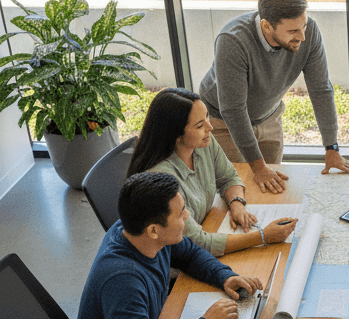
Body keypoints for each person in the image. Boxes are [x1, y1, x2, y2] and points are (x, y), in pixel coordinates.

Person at [66, 172, 264, 319]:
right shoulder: (122, 280)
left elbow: (189, 253)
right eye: (181, 213)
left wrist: (225, 276)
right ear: (153, 230)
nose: (187, 216)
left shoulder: (137, 232)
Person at [199, 0, 349, 195]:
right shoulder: (233, 40)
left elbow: (321, 90)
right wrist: (258, 167)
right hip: (223, 123)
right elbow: (233, 110)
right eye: (293, 31)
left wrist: (332, 148)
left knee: (273, 187)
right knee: (239, 189)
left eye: (303, 26)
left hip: (269, 116)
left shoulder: (308, 32)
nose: (302, 36)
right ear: (266, 26)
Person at [127, 87, 297, 256]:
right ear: (176, 135)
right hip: (179, 262)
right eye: (199, 125)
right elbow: (198, 243)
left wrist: (237, 204)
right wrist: (263, 236)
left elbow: (229, 177)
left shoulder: (201, 143)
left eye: (207, 116)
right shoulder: (162, 180)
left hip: (208, 227)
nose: (210, 128)